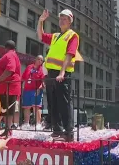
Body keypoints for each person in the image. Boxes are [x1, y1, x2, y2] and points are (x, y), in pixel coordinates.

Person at [37, 9, 79, 141]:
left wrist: (62, 72)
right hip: (50, 74)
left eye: (64, 18)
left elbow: (69, 54)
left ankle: (68, 133)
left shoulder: (72, 36)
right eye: (60, 18)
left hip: (62, 74)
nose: (61, 20)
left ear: (70, 21)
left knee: (64, 103)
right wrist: (40, 21)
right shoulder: (56, 36)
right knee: (52, 103)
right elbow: (41, 36)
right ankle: (57, 130)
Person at [0, 40, 21, 137]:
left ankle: (8, 130)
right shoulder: (12, 54)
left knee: (8, 109)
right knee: (6, 109)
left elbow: (10, 69)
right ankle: (7, 130)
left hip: (9, 87)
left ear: (5, 48)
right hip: (7, 87)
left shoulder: (10, 55)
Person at [21, 55, 45, 130]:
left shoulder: (42, 69)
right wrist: (22, 88)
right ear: (35, 59)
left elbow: (43, 81)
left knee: (36, 106)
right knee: (27, 107)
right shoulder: (29, 67)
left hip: (36, 90)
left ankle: (38, 124)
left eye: (41, 60)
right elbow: (23, 78)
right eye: (38, 59)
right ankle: (26, 123)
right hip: (27, 90)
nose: (40, 61)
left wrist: (39, 88)